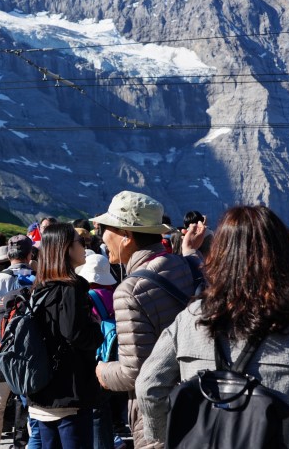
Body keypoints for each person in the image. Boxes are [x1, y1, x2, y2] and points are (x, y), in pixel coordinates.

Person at [135, 205, 289, 448]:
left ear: (220, 255)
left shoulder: (190, 318)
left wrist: (167, 436)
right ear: (282, 256)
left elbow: (149, 385)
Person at [91, 191, 204, 449]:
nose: (101, 236)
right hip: (198, 398)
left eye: (106, 229)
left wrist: (102, 371)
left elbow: (135, 372)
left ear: (126, 236)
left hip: (157, 413)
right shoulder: (186, 265)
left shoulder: (129, 291)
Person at [28, 223, 103, 448]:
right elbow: (76, 334)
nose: (85, 247)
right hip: (69, 391)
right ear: (67, 248)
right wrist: (97, 329)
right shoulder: (73, 287)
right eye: (81, 243)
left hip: (42, 390)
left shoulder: (39, 287)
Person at [0, 234, 37, 449]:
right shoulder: (34, 276)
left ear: (8, 255)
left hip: (2, 347)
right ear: (30, 254)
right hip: (30, 348)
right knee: (32, 405)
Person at [75, 253, 119, 449]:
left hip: (96, 359)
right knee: (105, 410)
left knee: (95, 411)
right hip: (115, 359)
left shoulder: (88, 298)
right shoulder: (116, 295)